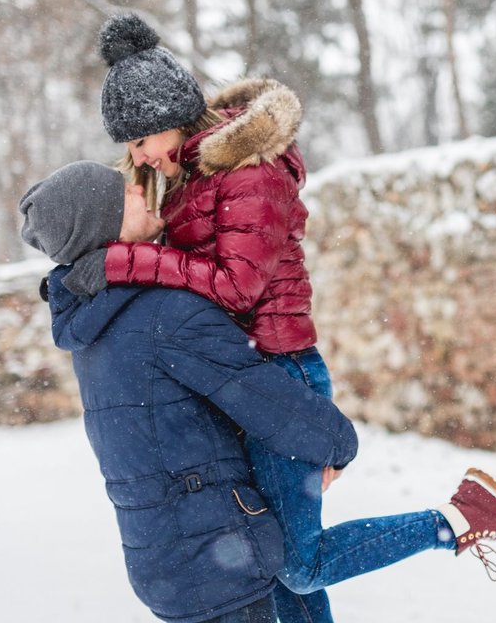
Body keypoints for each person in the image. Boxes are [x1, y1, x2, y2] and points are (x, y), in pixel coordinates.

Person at [65, 12, 496, 622]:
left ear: (168, 119)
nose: (139, 158)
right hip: (244, 379)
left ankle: (457, 518)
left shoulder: (248, 172)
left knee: (298, 563)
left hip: (281, 376)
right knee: (278, 565)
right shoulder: (193, 182)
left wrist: (131, 261)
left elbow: (238, 288)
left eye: (139, 141)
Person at [19, 161, 358, 623]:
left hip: (163, 558)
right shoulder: (162, 313)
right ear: (106, 224)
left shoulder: (91, 326)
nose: (142, 191)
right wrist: (337, 443)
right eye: (127, 194)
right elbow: (260, 395)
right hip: (218, 557)